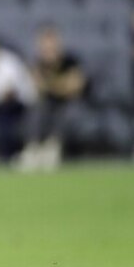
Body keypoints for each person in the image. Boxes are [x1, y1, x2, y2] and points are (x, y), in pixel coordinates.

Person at [18, 25, 87, 171]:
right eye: (45, 43)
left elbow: (74, 87)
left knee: (68, 111)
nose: (49, 47)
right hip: (47, 104)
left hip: (68, 104)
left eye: (51, 42)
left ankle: (52, 148)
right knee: (37, 109)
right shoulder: (37, 63)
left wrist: (51, 85)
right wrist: (60, 84)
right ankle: (33, 149)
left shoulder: (70, 61)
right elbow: (37, 88)